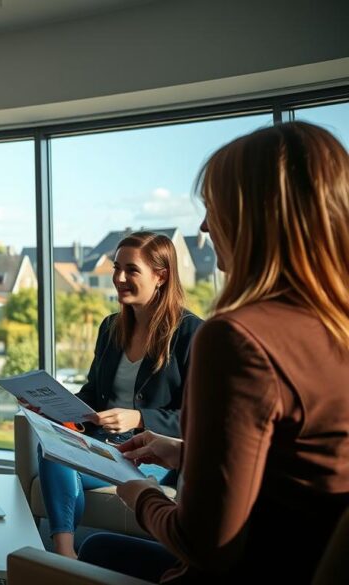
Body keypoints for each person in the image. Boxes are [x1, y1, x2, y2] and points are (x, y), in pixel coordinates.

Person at [80, 121, 349, 583]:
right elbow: (294, 473)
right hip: (300, 562)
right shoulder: (333, 328)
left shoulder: (237, 339)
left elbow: (204, 545)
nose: (204, 226)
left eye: (214, 208)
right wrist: (181, 453)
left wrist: (141, 495)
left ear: (257, 219)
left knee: (90, 551)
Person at [34, 231, 202, 557]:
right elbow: (93, 395)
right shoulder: (111, 327)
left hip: (151, 455)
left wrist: (140, 419)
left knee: (61, 462)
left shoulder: (191, 333)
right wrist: (50, 404)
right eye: (116, 267)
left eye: (131, 270)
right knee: (54, 450)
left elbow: (196, 419)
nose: (119, 278)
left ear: (161, 276)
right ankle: (65, 553)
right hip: (102, 446)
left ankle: (64, 558)